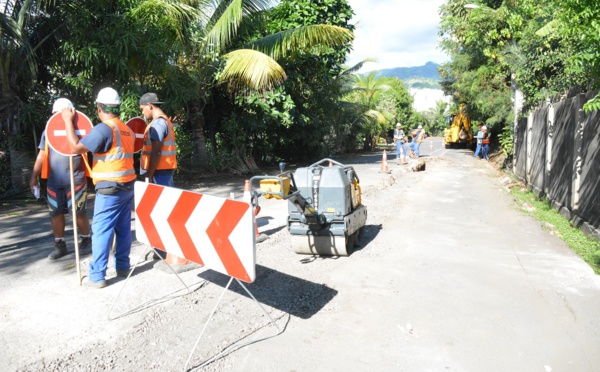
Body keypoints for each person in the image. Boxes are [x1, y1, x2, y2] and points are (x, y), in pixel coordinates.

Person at [62, 88, 136, 288]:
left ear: (99, 107)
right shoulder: (126, 129)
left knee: (102, 231)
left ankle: (97, 276)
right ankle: (122, 266)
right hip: (127, 186)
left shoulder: (104, 129)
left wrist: (68, 121)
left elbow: (75, 148)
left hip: (110, 188)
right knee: (123, 229)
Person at [30, 98, 92, 260]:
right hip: (54, 182)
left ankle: (86, 240)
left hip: (76, 179)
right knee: (55, 214)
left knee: (79, 212)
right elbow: (42, 155)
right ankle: (60, 245)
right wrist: (33, 177)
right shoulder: (48, 131)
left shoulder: (80, 130)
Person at [138, 93, 177, 186]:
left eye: (142, 109)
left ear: (149, 106)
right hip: (164, 170)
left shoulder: (158, 124)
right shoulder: (164, 120)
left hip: (159, 171)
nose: (143, 113)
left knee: (162, 199)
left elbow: (156, 152)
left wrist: (149, 175)